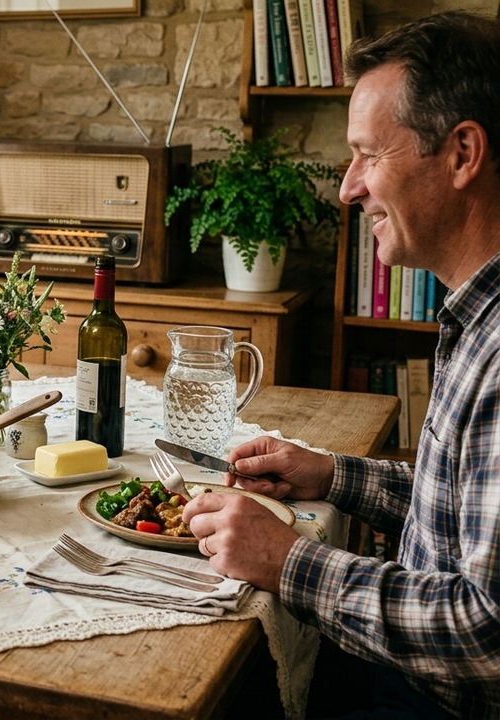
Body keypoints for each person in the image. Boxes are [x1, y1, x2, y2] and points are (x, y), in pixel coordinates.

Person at [182, 12, 500, 719]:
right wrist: (330, 474)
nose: (347, 187)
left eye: (368, 155)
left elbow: (486, 634)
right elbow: (460, 515)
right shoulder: (476, 313)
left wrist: (287, 561)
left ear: (462, 153)